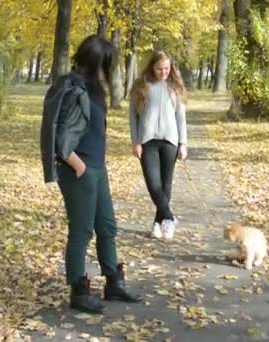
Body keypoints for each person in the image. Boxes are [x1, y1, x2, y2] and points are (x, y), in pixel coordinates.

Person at [40, 35, 143, 314]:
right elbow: (62, 140)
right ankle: (79, 290)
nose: (110, 70)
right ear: (97, 62)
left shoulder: (95, 88)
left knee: (107, 227)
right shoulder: (75, 89)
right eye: (108, 63)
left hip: (97, 168)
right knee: (82, 231)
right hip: (79, 171)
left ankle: (113, 283)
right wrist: (80, 167)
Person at [129, 51, 188, 240]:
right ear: (152, 68)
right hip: (147, 141)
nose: (163, 72)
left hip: (170, 141)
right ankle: (169, 217)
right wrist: (136, 141)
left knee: (165, 186)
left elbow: (181, 117)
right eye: (159, 69)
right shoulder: (142, 87)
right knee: (154, 185)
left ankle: (159, 224)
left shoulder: (175, 87)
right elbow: (133, 117)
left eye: (166, 69)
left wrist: (183, 143)